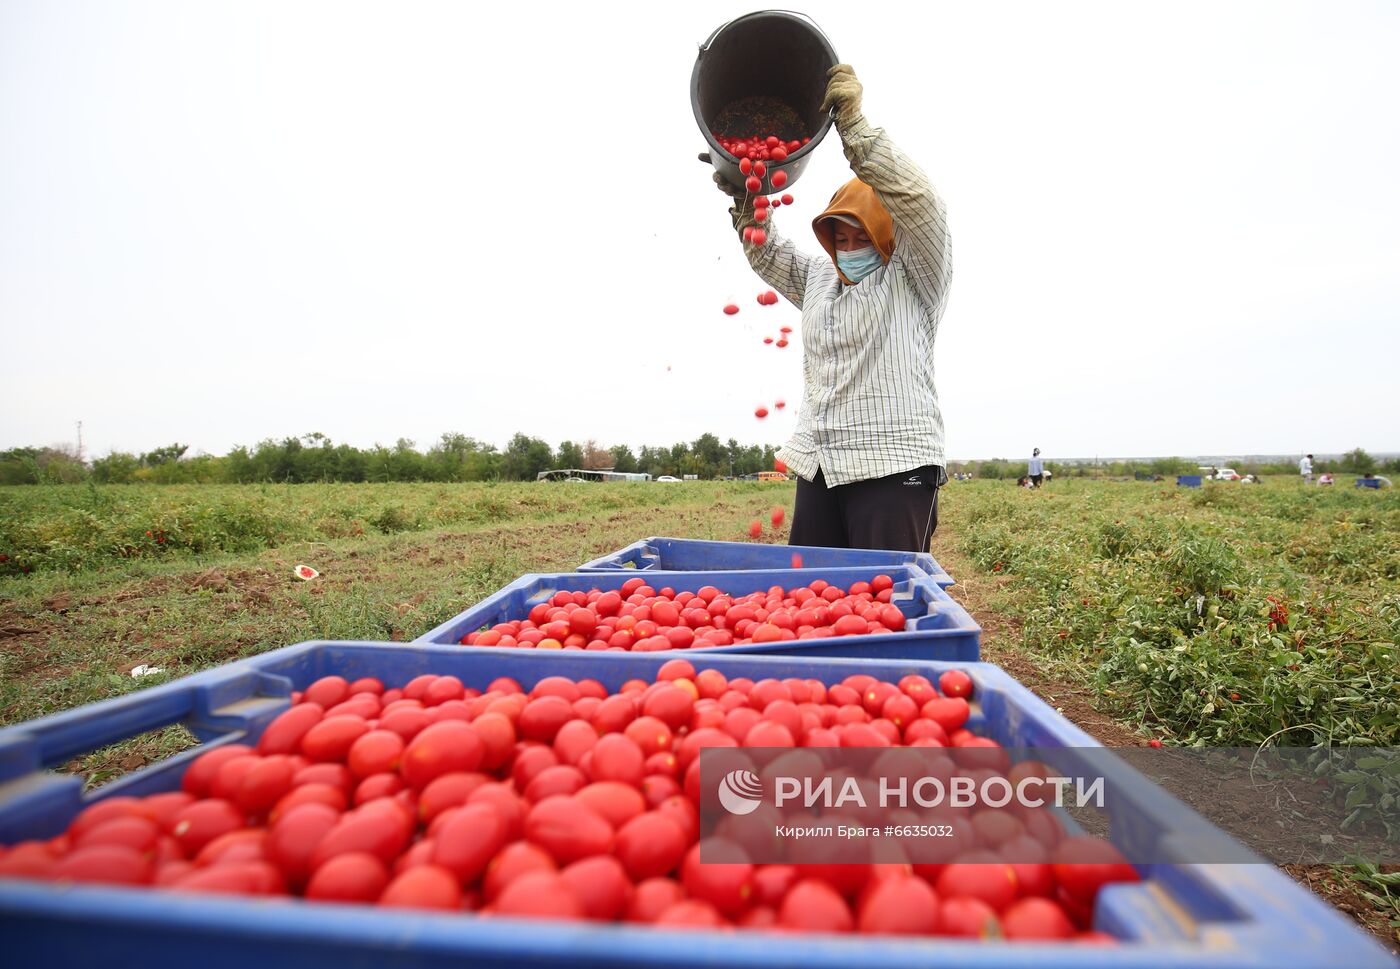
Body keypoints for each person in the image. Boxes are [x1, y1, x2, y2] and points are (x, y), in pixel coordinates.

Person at [711, 64, 951, 553]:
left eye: (862, 235)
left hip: (893, 463)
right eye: (839, 236)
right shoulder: (820, 277)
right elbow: (768, 251)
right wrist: (746, 191)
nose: (849, 246)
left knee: (881, 603)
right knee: (816, 600)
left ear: (887, 235)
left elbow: (921, 202)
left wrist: (857, 132)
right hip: (819, 461)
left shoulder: (914, 273)